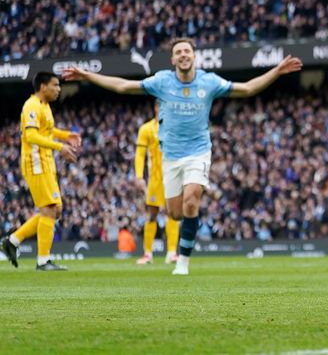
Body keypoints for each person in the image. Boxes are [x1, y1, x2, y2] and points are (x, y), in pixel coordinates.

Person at [62, 38, 302, 275]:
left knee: (191, 199)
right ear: (173, 59)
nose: (184, 55)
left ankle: (183, 261)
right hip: (171, 157)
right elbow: (123, 86)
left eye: (187, 51)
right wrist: (87, 75)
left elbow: (248, 88)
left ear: (194, 55)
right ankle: (186, 230)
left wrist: (277, 71)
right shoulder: (162, 81)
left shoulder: (209, 81)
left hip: (198, 152)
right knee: (175, 213)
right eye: (179, 52)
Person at [1, 72, 81, 271]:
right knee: (49, 209)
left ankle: (13, 240)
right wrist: (60, 147)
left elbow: (47, 130)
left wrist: (65, 135)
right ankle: (43, 260)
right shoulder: (32, 106)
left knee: (56, 210)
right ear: (43, 87)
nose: (59, 89)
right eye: (55, 85)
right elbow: (31, 136)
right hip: (35, 162)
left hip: (46, 162)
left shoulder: (44, 106)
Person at [134, 101, 180, 265]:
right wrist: (139, 176)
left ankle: (172, 253)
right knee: (152, 214)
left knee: (173, 213)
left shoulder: (175, 127)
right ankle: (148, 254)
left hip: (172, 176)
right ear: (155, 108)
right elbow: (140, 154)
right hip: (155, 179)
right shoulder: (146, 129)